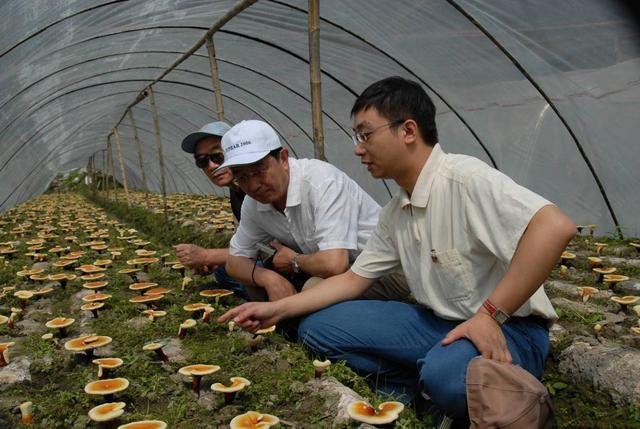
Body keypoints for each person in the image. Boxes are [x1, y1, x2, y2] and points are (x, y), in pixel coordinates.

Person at [219, 77, 576, 426]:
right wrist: (275, 309)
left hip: (508, 328)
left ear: (407, 131)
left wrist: (489, 315)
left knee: (447, 375)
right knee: (317, 329)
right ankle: (427, 392)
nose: (358, 149)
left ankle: (474, 388)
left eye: (365, 135)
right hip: (441, 322)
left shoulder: (464, 178)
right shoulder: (396, 211)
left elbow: (554, 227)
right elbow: (353, 279)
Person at [215, 119, 410, 303]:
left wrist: (294, 260)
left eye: (259, 171)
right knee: (256, 279)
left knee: (312, 289)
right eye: (242, 177)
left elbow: (334, 264)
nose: (254, 185)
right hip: (342, 272)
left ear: (283, 158)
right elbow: (235, 261)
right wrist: (268, 278)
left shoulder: (322, 182)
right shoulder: (253, 203)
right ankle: (282, 328)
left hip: (385, 271)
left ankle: (301, 327)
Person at [172, 121, 247, 298]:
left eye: (217, 156)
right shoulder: (236, 191)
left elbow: (268, 249)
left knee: (246, 271)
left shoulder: (258, 189)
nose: (211, 166)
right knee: (223, 271)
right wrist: (216, 259)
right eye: (202, 161)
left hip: (289, 261)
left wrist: (208, 256)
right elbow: (252, 242)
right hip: (264, 257)